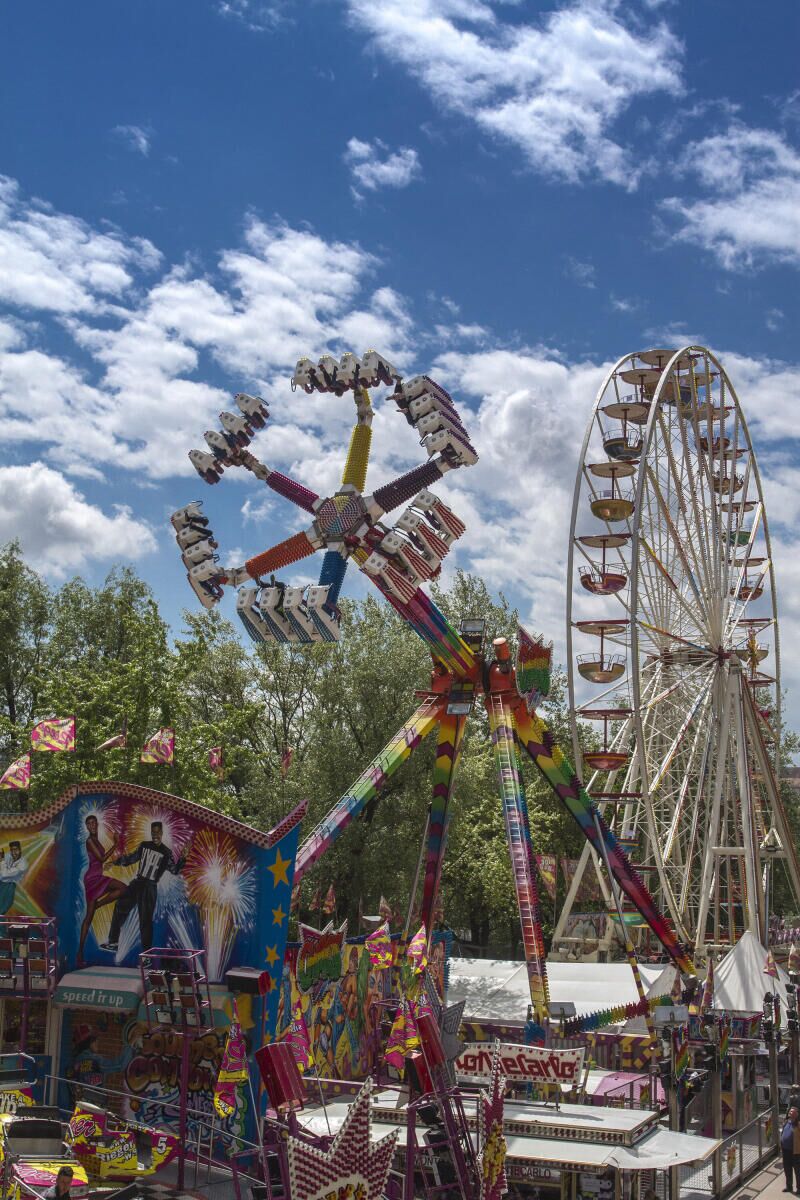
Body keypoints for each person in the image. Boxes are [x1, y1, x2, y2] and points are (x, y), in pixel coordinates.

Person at [100, 822, 186, 953]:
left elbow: (174, 870)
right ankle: (113, 942)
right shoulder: (144, 845)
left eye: (157, 832)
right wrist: (114, 862)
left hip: (150, 887)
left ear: (162, 833)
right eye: (153, 832)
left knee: (145, 921)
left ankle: (146, 955)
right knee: (120, 906)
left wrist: (183, 858)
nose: (155, 835)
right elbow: (131, 858)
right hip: (137, 883)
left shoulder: (166, 852)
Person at [77, 815, 126, 965]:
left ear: (97, 824)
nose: (92, 825)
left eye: (93, 823)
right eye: (89, 824)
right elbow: (102, 859)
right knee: (88, 918)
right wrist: (115, 844)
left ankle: (98, 905)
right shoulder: (90, 841)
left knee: (122, 889)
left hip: (98, 876)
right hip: (92, 879)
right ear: (87, 827)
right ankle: (80, 953)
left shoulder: (96, 839)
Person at [0, 842, 28, 914]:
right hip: (1, 883)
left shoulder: (23, 865)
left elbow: (4, 874)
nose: (13, 853)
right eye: (12, 850)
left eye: (15, 850)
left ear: (20, 850)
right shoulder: (8, 855)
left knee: (3, 908)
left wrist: (2, 860)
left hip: (9, 886)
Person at [781, 1106, 799, 1192]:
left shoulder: (798, 1124)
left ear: (796, 1114)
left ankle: (799, 1189)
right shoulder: (786, 1122)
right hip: (785, 1151)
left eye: (792, 1112)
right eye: (790, 1111)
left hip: (795, 1152)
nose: (790, 1113)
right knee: (787, 1170)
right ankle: (789, 1187)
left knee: (798, 1171)